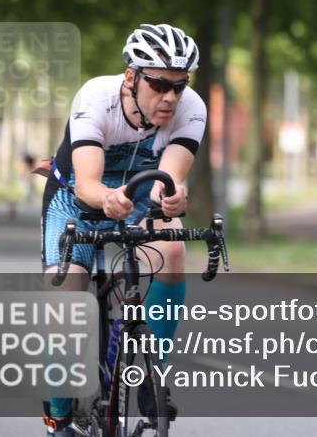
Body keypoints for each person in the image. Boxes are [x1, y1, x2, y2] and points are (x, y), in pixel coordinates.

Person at [40, 24, 206, 436]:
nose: (170, 97)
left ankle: (153, 378)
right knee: (66, 299)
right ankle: (58, 414)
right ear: (131, 76)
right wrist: (105, 199)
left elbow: (169, 177)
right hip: (76, 198)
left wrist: (173, 197)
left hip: (137, 197)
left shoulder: (192, 107)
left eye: (179, 85)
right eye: (159, 84)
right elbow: (89, 183)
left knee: (172, 250)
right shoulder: (96, 97)